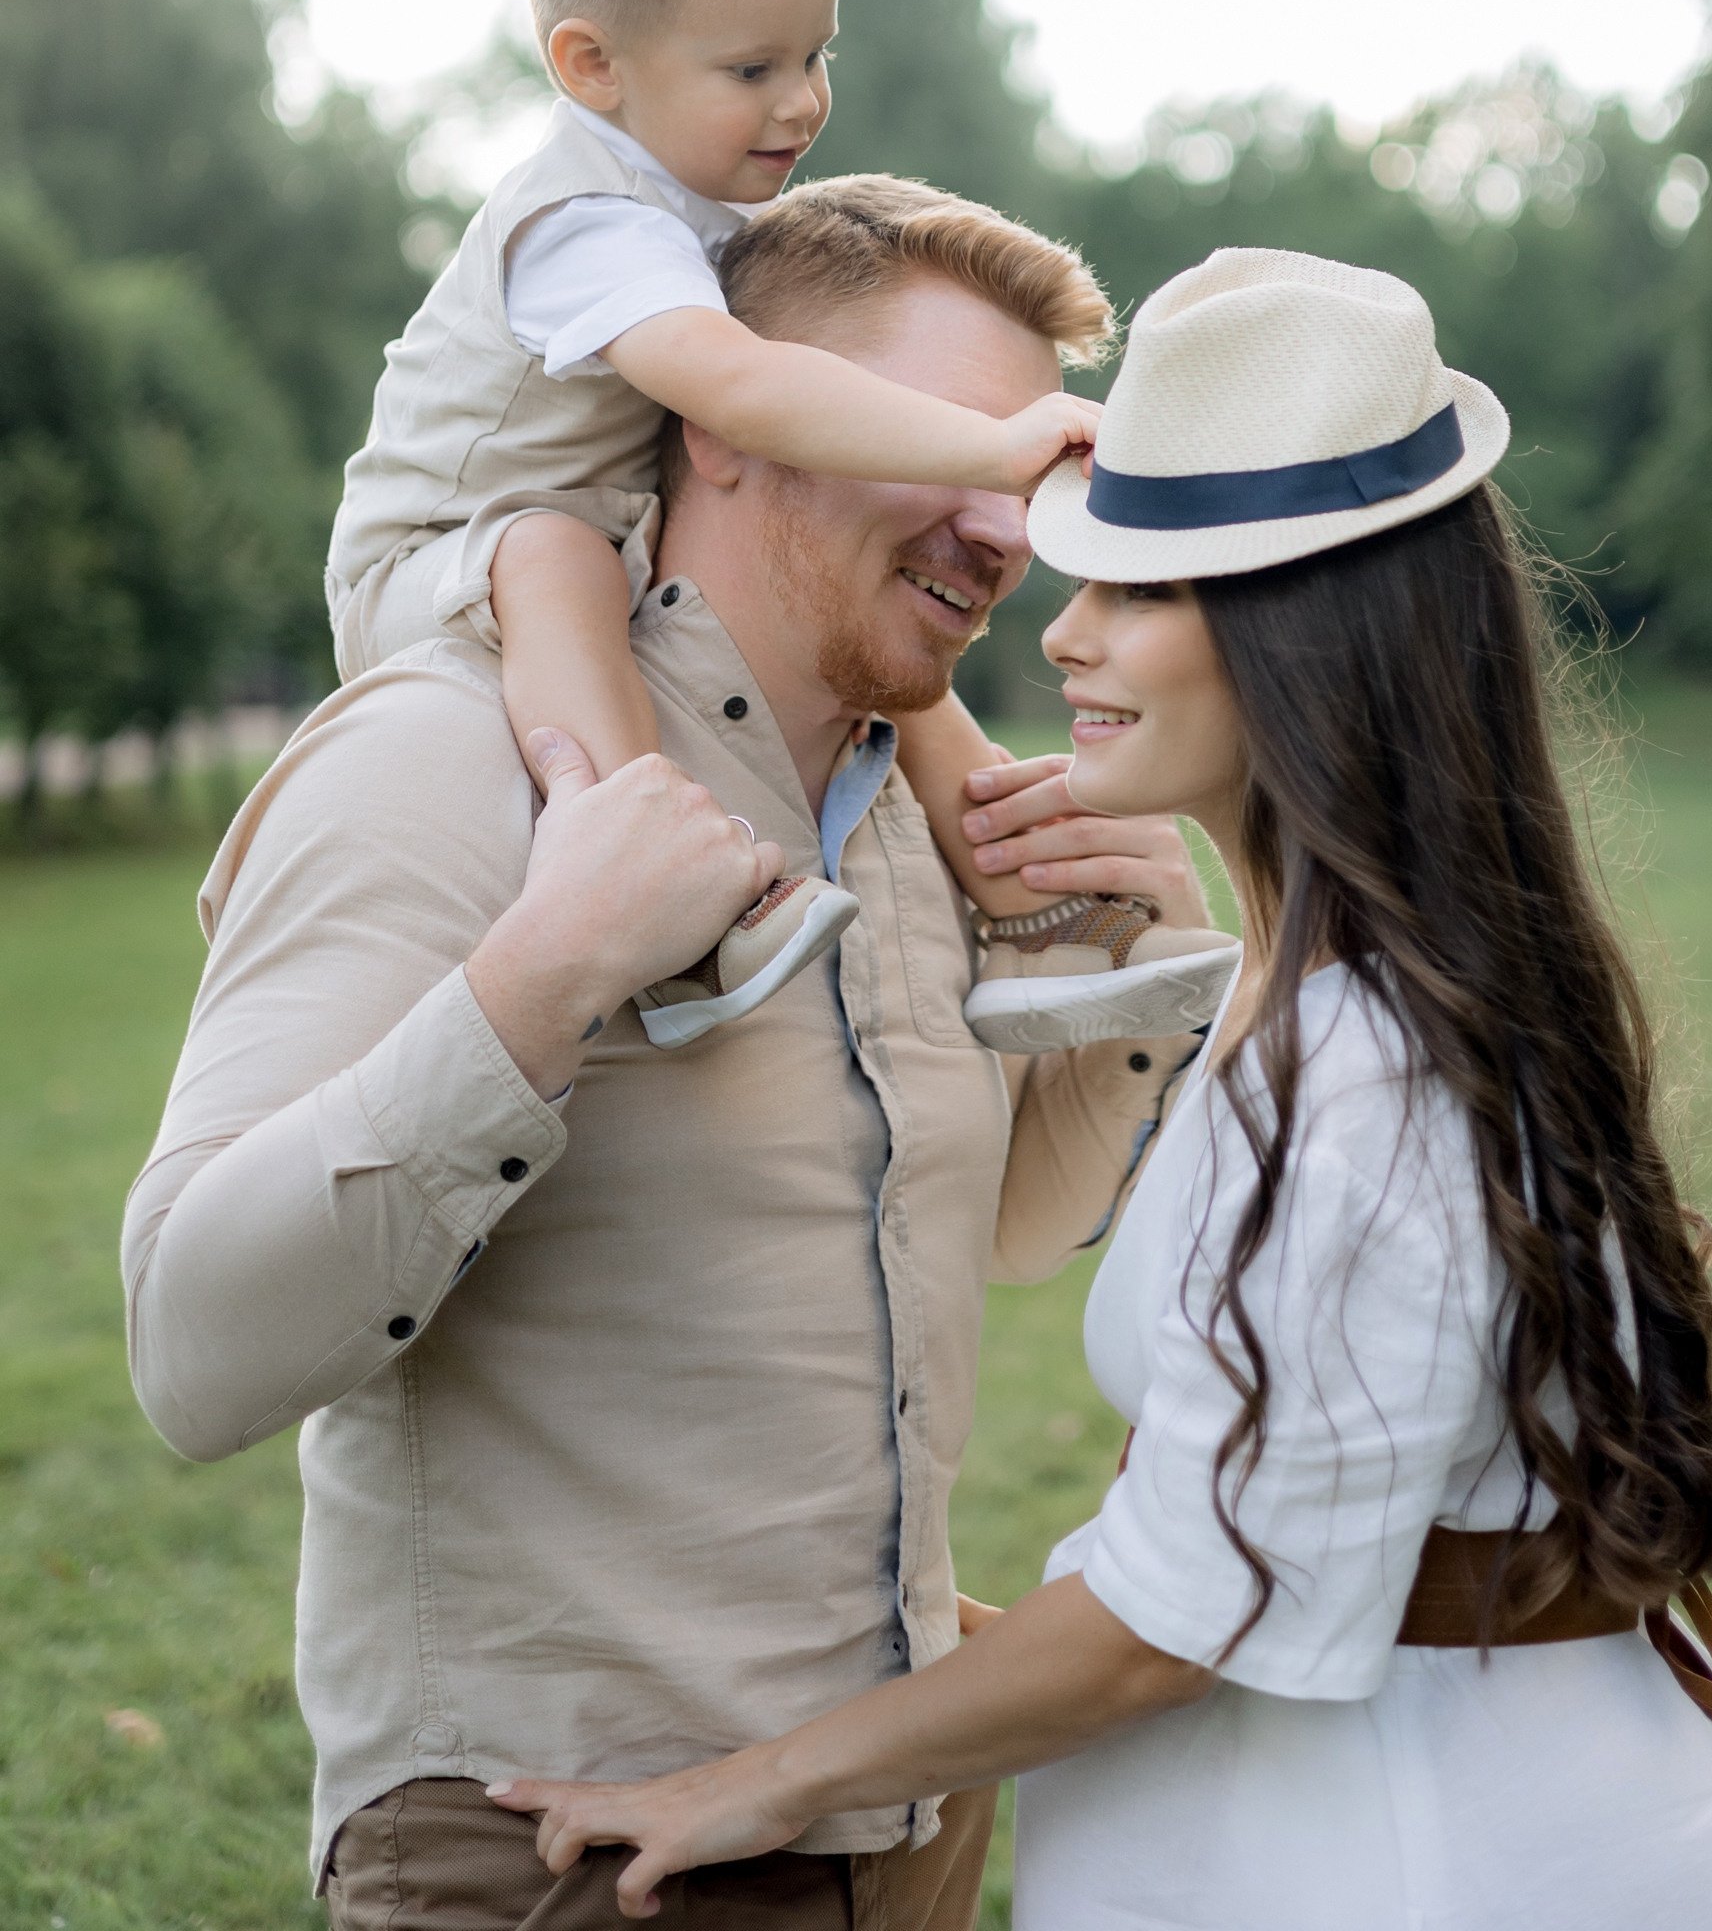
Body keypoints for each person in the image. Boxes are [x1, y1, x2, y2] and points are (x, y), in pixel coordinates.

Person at [491, 249, 1712, 1931]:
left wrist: (752, 1781)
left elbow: (1169, 1624)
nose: (1065, 633)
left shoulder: (1366, 1077)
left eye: (1140, 591)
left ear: (1308, 639)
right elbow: (1283, 1532)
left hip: (1424, 1869)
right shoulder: (1358, 989)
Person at [122, 177, 1227, 1931]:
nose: (1000, 529)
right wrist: (542, 978)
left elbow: (999, 1231)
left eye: (1019, 474)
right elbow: (191, 1351)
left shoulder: (920, 815)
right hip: (555, 1857)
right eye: (936, 443)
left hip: (906, 1816)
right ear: (723, 426)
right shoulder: (437, 761)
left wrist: (1137, 973)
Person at [325, 0, 1233, 1050]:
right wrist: (993, 447)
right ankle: (654, 881)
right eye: (752, 70)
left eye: (816, 56)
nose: (802, 103)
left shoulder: (699, 221)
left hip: (594, 539)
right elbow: (747, 390)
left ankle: (1037, 914)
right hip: (433, 561)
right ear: (591, 66)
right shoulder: (583, 226)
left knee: (890, 659)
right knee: (550, 550)